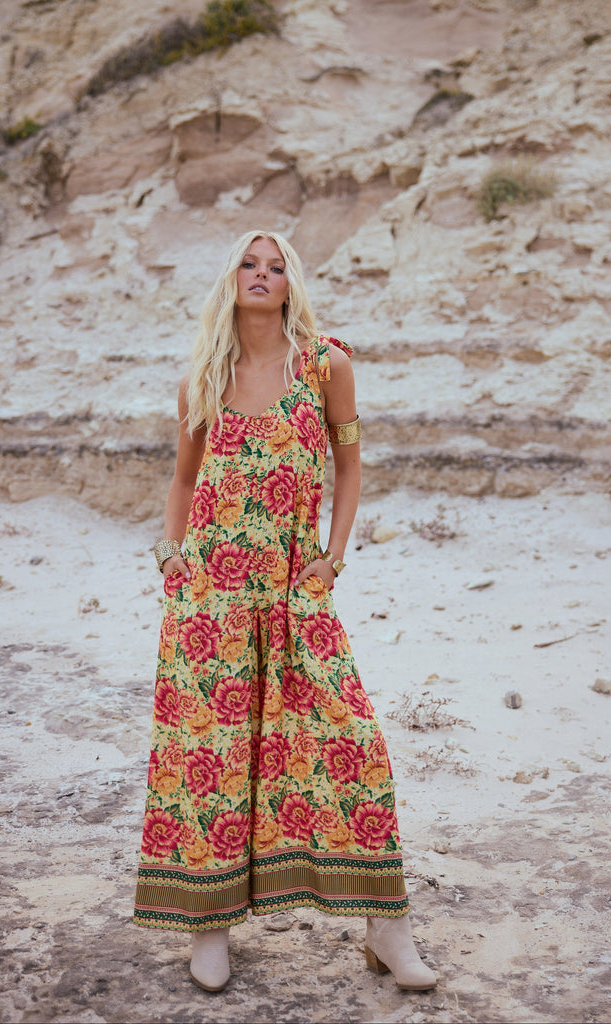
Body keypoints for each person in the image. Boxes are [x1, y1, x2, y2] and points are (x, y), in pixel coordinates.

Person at [133, 230, 437, 994]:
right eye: (248, 263)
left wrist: (332, 560)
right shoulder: (203, 376)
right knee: (211, 767)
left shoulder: (324, 363)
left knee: (351, 740)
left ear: (291, 283)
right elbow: (181, 480)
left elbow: (349, 460)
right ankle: (208, 928)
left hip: (296, 594)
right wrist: (171, 559)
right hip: (210, 605)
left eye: (275, 266)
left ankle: (386, 930)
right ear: (229, 278)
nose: (261, 275)